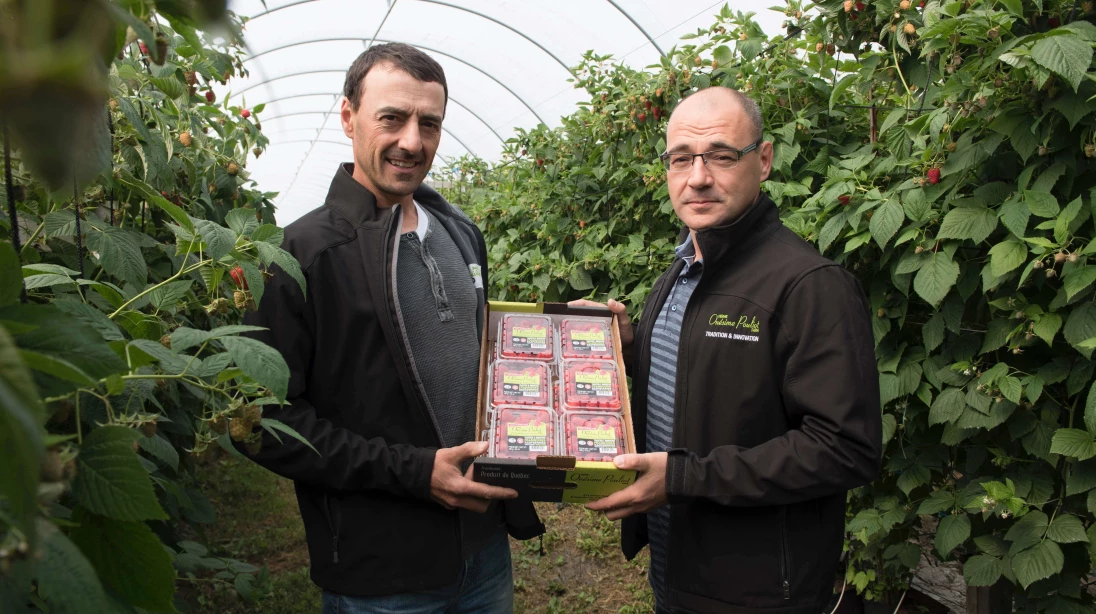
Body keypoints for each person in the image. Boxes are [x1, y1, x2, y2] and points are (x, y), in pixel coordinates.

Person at [239, 43, 543, 613]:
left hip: (483, 547)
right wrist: (415, 472)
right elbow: (260, 421)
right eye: (392, 118)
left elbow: (477, 357)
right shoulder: (298, 256)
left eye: (430, 123)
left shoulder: (459, 233)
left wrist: (575, 339)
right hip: (381, 567)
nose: (412, 141)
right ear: (349, 116)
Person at [574, 87, 882, 614]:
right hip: (677, 568)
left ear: (763, 160)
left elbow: (844, 448)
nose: (697, 177)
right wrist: (631, 348)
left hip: (755, 591)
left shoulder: (810, 286)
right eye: (681, 159)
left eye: (720, 155)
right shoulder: (686, 266)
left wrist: (681, 478)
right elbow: (710, 380)